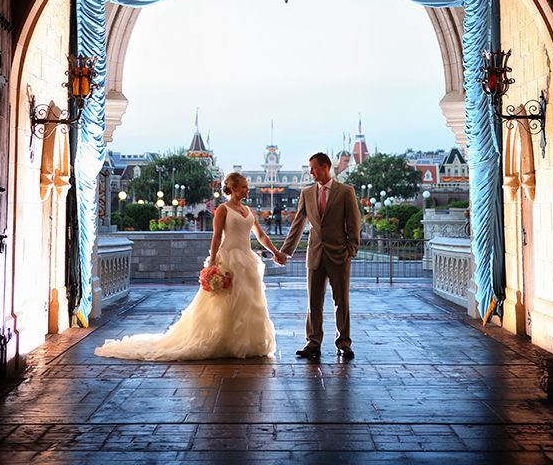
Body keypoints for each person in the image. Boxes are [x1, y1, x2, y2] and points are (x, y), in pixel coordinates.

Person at [95, 172, 286, 361]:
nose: (247, 189)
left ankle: (247, 342)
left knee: (249, 300)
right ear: (234, 189)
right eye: (244, 186)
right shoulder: (223, 210)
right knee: (226, 302)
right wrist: (212, 260)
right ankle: (224, 341)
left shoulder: (249, 211)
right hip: (229, 258)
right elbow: (217, 236)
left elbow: (260, 235)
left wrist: (276, 252)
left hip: (247, 260)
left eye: (247, 186)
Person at [280, 152, 362, 360]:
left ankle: (343, 342)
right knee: (313, 302)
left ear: (325, 167)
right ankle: (313, 343)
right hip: (315, 254)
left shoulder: (345, 192)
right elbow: (298, 224)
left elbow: (354, 223)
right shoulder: (307, 193)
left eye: (314, 167)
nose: (311, 172)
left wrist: (351, 249)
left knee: (341, 301)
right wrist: (285, 251)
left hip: (339, 255)